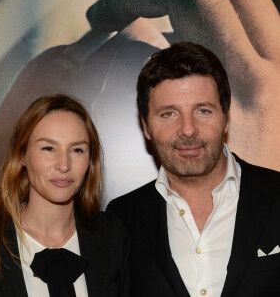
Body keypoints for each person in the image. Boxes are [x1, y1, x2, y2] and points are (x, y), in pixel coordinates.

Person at [107, 42, 280, 297]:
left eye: (203, 110)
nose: (188, 129)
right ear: (146, 126)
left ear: (226, 118)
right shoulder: (121, 218)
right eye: (169, 114)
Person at [0, 95, 129, 297]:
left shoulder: (111, 235)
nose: (64, 165)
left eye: (77, 150)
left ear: (89, 160)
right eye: (48, 148)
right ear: (22, 155)